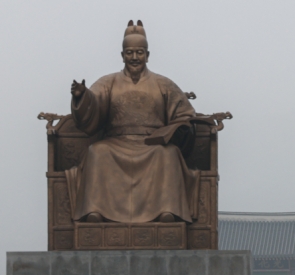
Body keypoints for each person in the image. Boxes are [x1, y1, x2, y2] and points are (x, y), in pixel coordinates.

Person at [66, 20, 200, 224]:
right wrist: (81, 97)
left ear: (147, 54)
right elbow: (93, 106)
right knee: (97, 152)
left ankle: (166, 210)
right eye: (130, 53)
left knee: (169, 154)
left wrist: (176, 128)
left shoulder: (163, 84)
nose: (135, 58)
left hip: (152, 144)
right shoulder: (108, 82)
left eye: (140, 52)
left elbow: (185, 113)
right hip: (116, 142)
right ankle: (95, 211)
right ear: (122, 55)